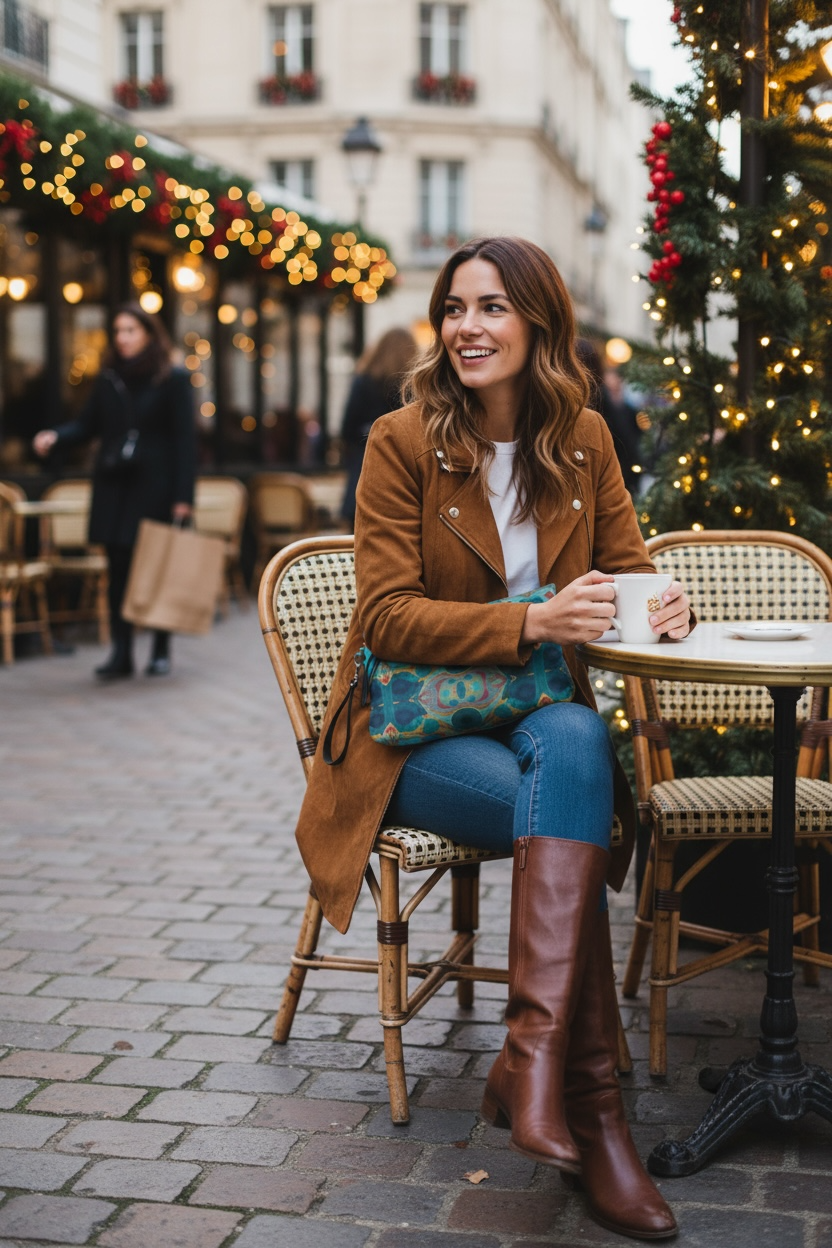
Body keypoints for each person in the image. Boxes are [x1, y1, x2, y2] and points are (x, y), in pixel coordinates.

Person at [294, 237, 690, 1241]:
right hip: (413, 736)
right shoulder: (401, 440)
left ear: (539, 323)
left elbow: (626, 564)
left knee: (570, 744)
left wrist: (660, 603)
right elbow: (385, 615)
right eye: (455, 307)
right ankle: (593, 1113)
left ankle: (537, 1067)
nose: (468, 326)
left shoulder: (584, 439)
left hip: (538, 719)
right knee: (566, 801)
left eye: (492, 307)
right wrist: (532, 623)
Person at [33, 304, 195, 680]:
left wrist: (183, 497)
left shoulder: (171, 379)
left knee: (155, 568)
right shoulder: (108, 379)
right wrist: (55, 437)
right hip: (114, 488)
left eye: (130, 331)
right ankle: (121, 652)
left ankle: (159, 649)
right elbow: (87, 425)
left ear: (149, 335)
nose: (122, 338)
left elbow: (185, 442)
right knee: (117, 571)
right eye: (119, 331)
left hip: (155, 486)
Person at [339, 326, 418, 527]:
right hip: (406, 464)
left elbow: (347, 428)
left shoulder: (364, 381)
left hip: (363, 462)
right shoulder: (415, 385)